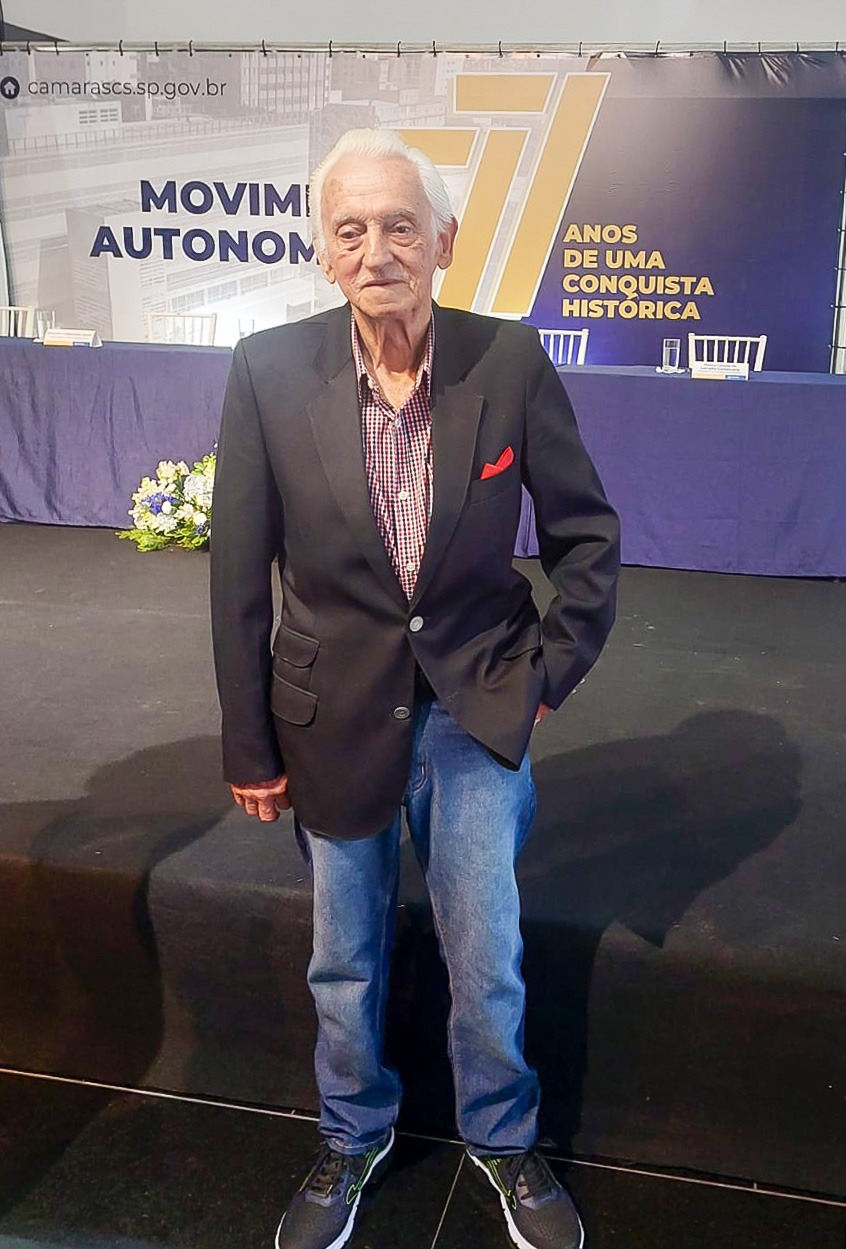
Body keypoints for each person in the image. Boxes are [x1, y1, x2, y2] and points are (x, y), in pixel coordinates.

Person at [210, 128, 620, 1249]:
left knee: (487, 957)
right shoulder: (265, 369)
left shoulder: (510, 360)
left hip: (476, 707)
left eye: (400, 225)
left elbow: (587, 539)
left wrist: (545, 677)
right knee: (343, 957)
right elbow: (239, 575)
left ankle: (502, 1134)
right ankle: (353, 1134)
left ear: (445, 240)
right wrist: (249, 744)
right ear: (322, 250)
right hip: (327, 715)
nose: (376, 249)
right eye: (350, 229)